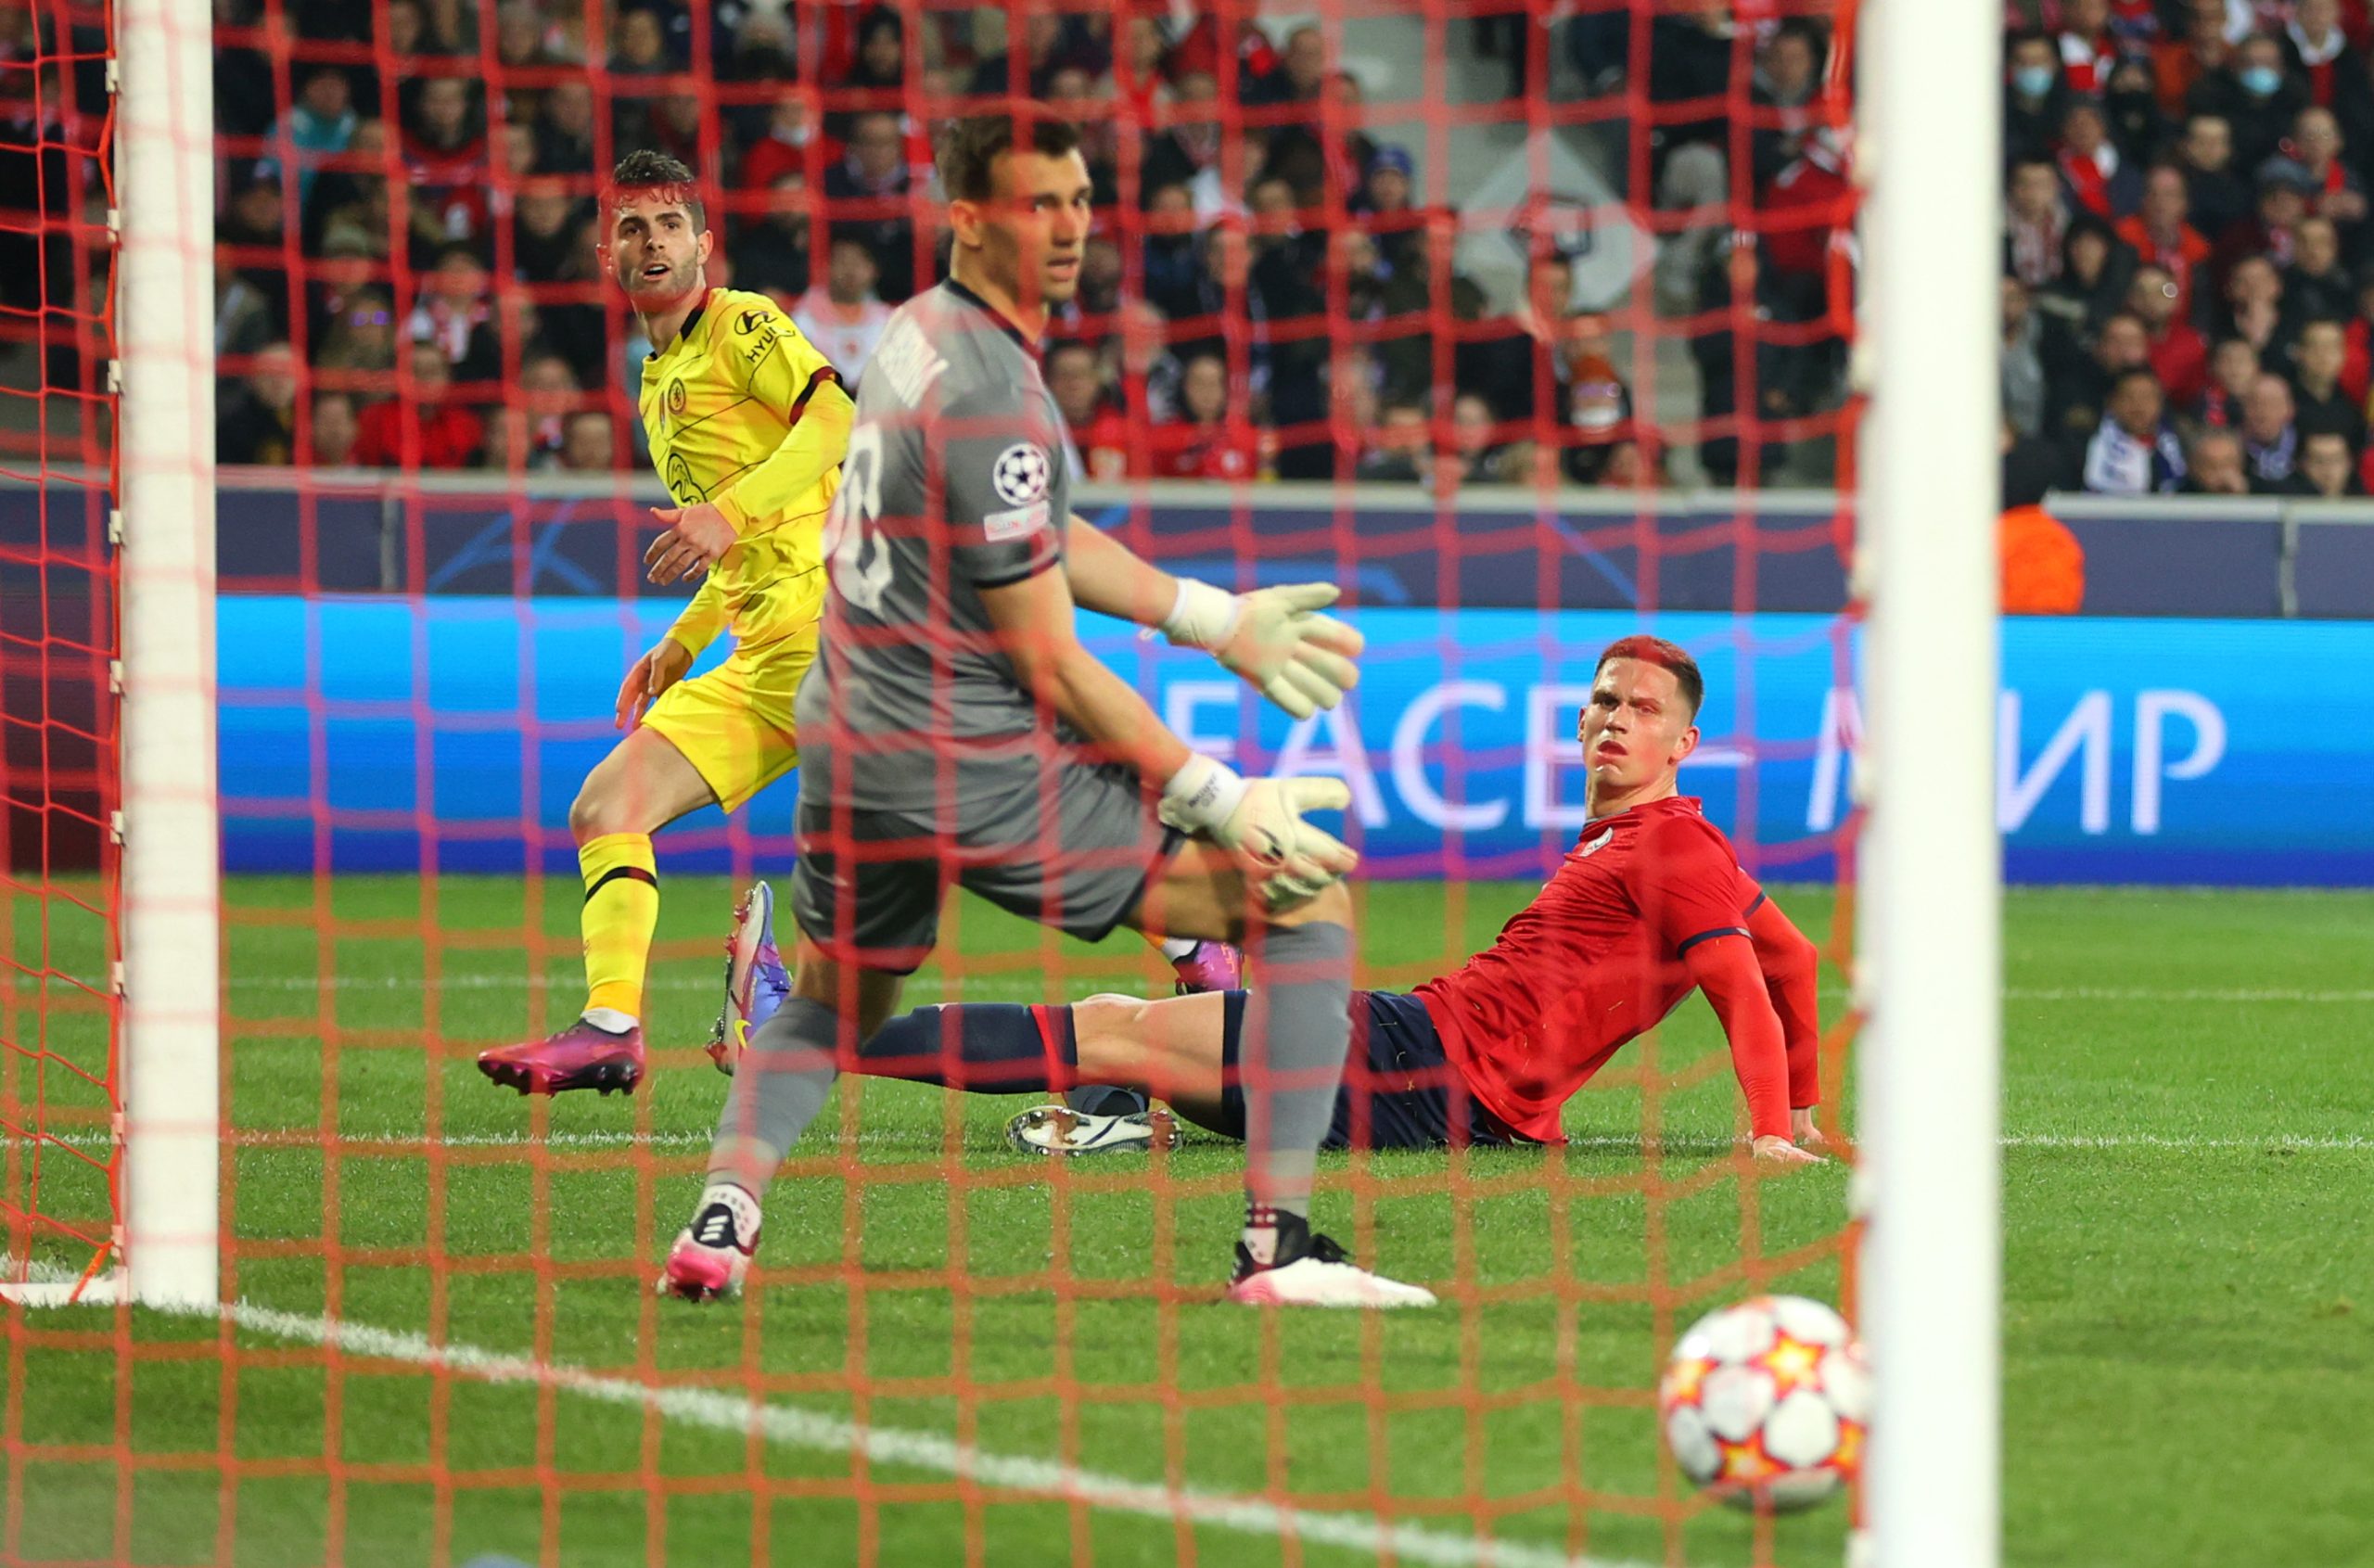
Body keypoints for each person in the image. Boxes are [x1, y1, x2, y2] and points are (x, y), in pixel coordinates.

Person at [659, 111, 1428, 1311]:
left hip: (847, 741)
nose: (1070, 226)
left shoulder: (918, 337)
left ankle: (723, 1215)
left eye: (1078, 200)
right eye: (1041, 204)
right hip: (964, 759)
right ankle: (1277, 1250)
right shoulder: (996, 389)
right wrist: (1221, 794)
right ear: (971, 218)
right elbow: (1051, 658)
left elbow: (1027, 534)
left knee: (827, 1003)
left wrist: (1208, 616)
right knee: (1301, 894)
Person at [774, 638, 1829, 1169]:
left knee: (1110, 1028)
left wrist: (1773, 1129)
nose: (1612, 720)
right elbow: (1794, 964)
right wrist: (1813, 1110)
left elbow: (1741, 976)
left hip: (1429, 1067)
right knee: (1125, 1028)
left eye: (1641, 711)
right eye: (1602, 698)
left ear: (1681, 744)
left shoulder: (1673, 843)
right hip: (1426, 1060)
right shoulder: (1663, 840)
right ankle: (1130, 1113)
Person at [474, 149, 855, 1098]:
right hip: (770, 647)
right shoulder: (657, 378)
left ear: (703, 243)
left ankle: (1191, 943)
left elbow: (837, 416)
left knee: (989, 833)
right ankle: (611, 1025)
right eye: (633, 228)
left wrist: (728, 515)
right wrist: (684, 639)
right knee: (606, 806)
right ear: (609, 255)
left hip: (853, 627)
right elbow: (744, 530)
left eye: (670, 223)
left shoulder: (742, 322)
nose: (653, 242)